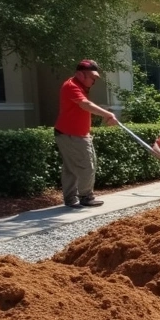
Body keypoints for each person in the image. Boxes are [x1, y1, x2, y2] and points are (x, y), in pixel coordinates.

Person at [55, 60, 118, 209]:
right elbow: (86, 105)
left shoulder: (79, 86)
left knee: (71, 167)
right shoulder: (71, 86)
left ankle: (71, 199)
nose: (94, 81)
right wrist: (107, 114)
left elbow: (83, 108)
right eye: (92, 77)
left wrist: (103, 113)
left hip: (71, 133)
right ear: (80, 74)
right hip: (71, 134)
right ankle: (86, 196)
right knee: (87, 165)